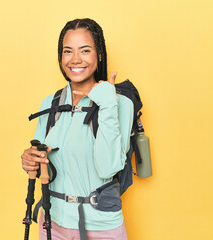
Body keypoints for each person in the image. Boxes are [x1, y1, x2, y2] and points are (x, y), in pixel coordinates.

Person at [21, 18, 133, 240]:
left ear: (99, 54)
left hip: (101, 227)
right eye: (68, 51)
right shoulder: (50, 103)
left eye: (85, 50)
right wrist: (29, 161)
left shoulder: (120, 104)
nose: (75, 59)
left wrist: (108, 104)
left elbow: (107, 168)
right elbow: (46, 166)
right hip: (52, 224)